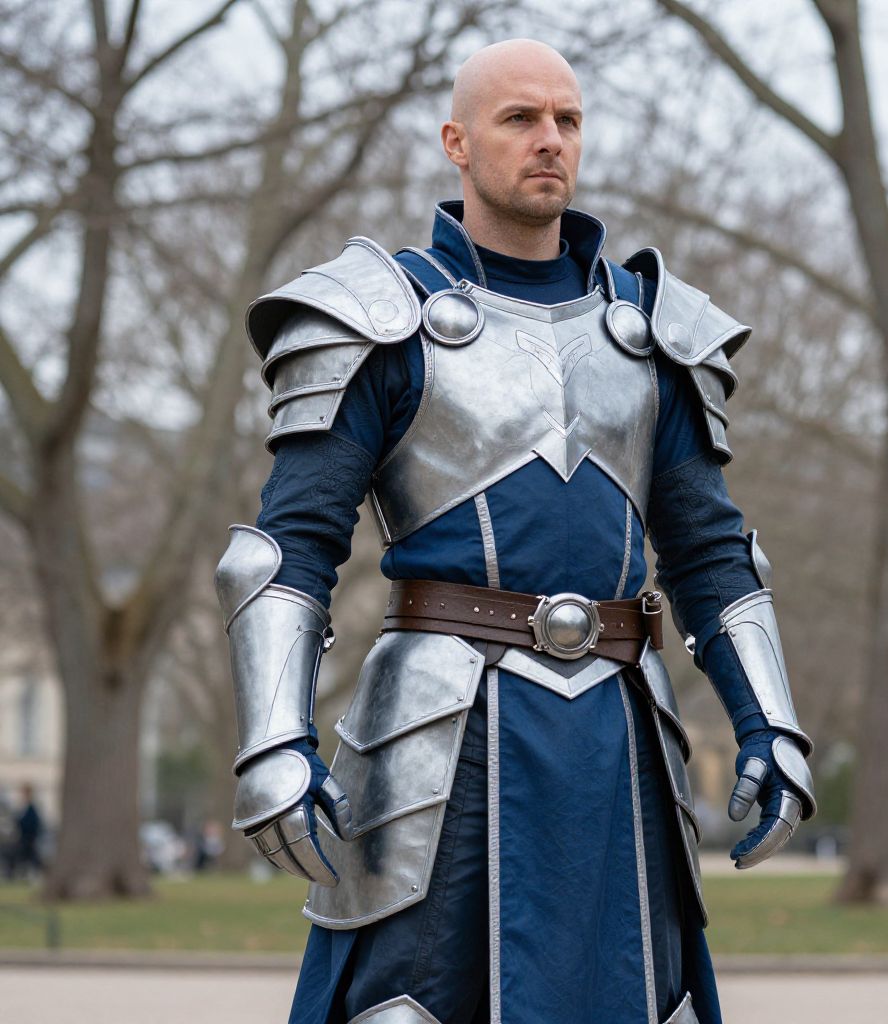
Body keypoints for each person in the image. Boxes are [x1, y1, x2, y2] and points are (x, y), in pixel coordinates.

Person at [215, 39, 815, 1024]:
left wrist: (770, 724)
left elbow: (711, 552)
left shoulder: (652, 331)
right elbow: (288, 548)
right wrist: (274, 739)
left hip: (620, 741)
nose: (550, 140)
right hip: (441, 744)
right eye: (520, 119)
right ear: (456, 141)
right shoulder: (378, 316)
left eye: (567, 120)